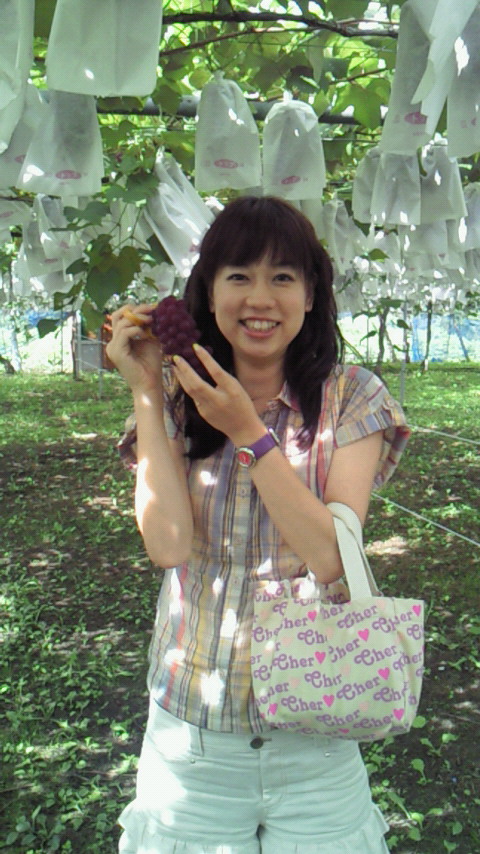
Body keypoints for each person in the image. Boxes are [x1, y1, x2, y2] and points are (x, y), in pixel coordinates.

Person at [106, 196, 410, 854]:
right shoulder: (176, 398)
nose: (260, 298)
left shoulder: (351, 397)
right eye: (239, 275)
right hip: (194, 735)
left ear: (311, 295)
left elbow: (331, 559)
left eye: (283, 277)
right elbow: (168, 545)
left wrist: (248, 431)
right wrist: (147, 390)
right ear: (210, 292)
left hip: (316, 735)